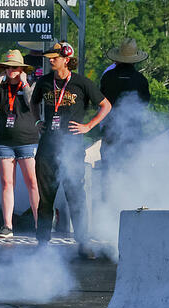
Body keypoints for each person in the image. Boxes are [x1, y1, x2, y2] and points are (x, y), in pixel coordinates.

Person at [31, 42, 112, 255]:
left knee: (76, 196)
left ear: (66, 59)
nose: (50, 60)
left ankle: (83, 243)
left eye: (55, 57)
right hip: (47, 148)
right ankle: (42, 243)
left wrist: (89, 126)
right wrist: (37, 122)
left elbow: (106, 105)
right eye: (49, 57)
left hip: (72, 149)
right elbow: (33, 103)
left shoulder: (81, 83)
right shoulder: (44, 82)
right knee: (46, 198)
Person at [0, 50, 39, 238]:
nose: (11, 71)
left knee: (32, 182)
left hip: (27, 140)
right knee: (7, 183)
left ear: (22, 69)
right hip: (4, 142)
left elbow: (32, 104)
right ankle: (7, 225)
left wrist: (25, 83)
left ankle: (38, 223)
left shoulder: (30, 85)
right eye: (8, 67)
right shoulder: (1, 87)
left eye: (15, 67)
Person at [99, 38, 151, 165]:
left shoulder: (107, 77)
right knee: (130, 170)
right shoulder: (141, 79)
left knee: (109, 169)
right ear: (135, 60)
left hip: (110, 130)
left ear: (117, 58)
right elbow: (144, 103)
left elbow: (100, 101)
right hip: (133, 131)